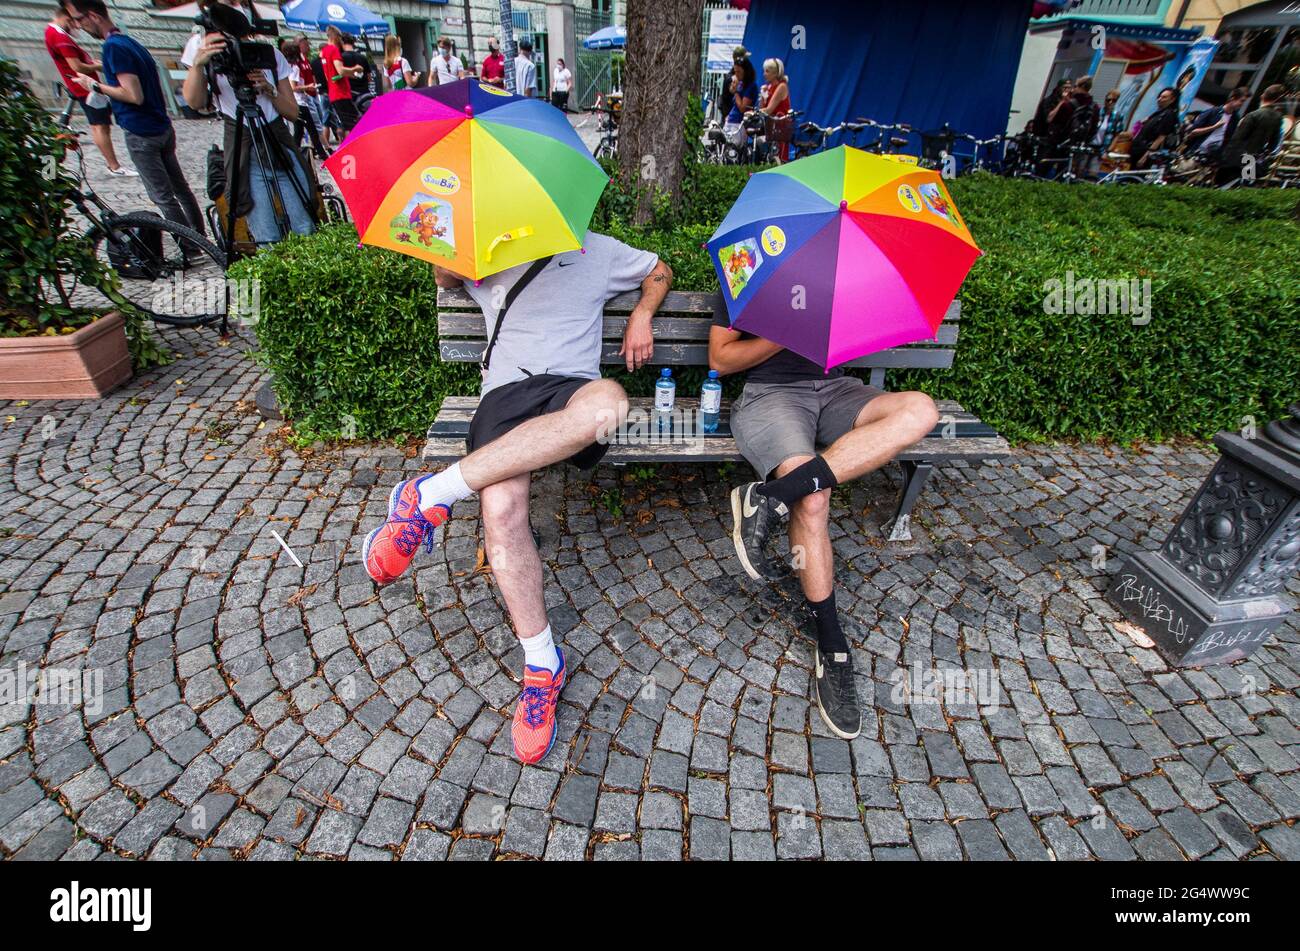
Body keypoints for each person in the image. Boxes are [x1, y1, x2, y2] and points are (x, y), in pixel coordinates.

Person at [362, 237, 673, 764]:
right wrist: (458, 240)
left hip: (573, 391)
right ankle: (542, 662)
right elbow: (443, 279)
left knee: (612, 404)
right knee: (501, 511)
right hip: (506, 393)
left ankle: (431, 494)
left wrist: (643, 311)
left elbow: (659, 270)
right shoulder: (490, 245)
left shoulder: (598, 249)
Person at [710, 295, 939, 739]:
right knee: (814, 500)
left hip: (839, 391)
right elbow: (720, 359)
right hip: (772, 396)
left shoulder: (849, 278)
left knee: (921, 409)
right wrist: (784, 333)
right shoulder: (751, 268)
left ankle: (771, 499)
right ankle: (832, 646)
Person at [181, 0, 316, 245]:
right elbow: (195, 102)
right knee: (266, 234)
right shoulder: (203, 50)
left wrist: (269, 90)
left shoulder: (268, 54)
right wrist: (199, 65)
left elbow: (293, 112)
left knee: (304, 225)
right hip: (241, 142)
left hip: (277, 141)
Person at [67, 0, 205, 239]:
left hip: (141, 129)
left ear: (94, 16)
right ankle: (199, 237)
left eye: (79, 19)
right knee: (180, 189)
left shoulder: (114, 47)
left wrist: (95, 85)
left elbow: (133, 95)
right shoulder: (130, 42)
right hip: (160, 125)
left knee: (163, 195)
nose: (78, 25)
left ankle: (191, 245)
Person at [46, 0, 135, 176]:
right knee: (100, 126)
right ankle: (114, 166)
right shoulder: (60, 36)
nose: (78, 26)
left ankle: (113, 165)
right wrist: (99, 66)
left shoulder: (52, 33)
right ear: (67, 18)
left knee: (100, 125)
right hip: (86, 89)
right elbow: (76, 66)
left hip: (84, 88)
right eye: (76, 21)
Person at [1217, 83, 1287, 184]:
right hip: (1253, 158)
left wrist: (1224, 158)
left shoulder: (1253, 115)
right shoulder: (1277, 118)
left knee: (1223, 186)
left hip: (1235, 159)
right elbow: (1274, 142)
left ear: (1262, 96)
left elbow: (1237, 139)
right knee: (1242, 189)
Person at [282, 38, 327, 159]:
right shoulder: (295, 68)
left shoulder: (286, 66)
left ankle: (294, 152)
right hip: (300, 102)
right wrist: (308, 87)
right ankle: (321, 153)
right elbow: (293, 87)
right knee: (311, 129)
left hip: (296, 101)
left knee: (299, 131)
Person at [1186, 86, 1249, 160]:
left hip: (1212, 158)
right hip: (1195, 153)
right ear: (1232, 98)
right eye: (1241, 101)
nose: (1242, 104)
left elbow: (1228, 140)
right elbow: (1192, 132)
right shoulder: (1213, 112)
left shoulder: (1235, 119)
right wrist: (1214, 127)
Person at [320, 24, 363, 133]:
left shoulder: (324, 51)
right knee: (355, 125)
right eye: (340, 37)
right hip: (341, 93)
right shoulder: (334, 50)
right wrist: (355, 69)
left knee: (347, 125)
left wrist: (349, 74)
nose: (341, 41)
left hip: (334, 93)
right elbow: (340, 70)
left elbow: (330, 76)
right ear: (335, 37)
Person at [1128, 86, 1179, 168]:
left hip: (1144, 153)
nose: (1159, 99)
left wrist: (1145, 157)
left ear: (1172, 100)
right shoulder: (1159, 113)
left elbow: (1161, 137)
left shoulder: (1169, 115)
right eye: (1160, 96)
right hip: (1137, 149)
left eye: (1164, 97)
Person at [757, 56, 790, 162]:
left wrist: (752, 113)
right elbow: (762, 108)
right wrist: (763, 96)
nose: (764, 74)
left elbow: (769, 110)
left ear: (775, 73)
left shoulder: (782, 87)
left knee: (778, 157)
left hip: (780, 128)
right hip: (770, 128)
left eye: (767, 71)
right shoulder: (768, 87)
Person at [307, 39, 339, 146]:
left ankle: (327, 143)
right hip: (330, 91)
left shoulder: (313, 63)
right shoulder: (328, 61)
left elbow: (313, 78)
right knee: (332, 117)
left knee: (326, 117)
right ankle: (329, 142)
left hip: (321, 92)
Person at [724, 57, 757, 148]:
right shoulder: (741, 84)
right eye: (735, 72)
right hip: (731, 121)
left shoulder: (750, 86)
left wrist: (736, 93)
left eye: (739, 72)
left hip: (739, 124)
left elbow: (742, 108)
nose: (736, 74)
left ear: (745, 71)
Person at [340, 33, 376, 99]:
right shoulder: (362, 57)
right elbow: (369, 78)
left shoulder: (340, 58)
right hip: (364, 93)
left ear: (342, 42)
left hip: (350, 94)